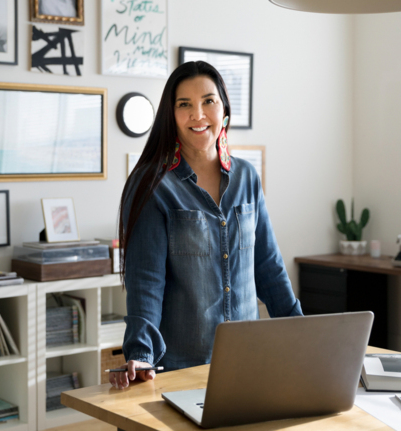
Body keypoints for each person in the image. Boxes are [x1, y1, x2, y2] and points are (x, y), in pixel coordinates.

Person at [110, 61, 303, 389]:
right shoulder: (153, 185)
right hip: (181, 371)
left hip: (248, 363)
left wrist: (304, 335)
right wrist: (140, 352)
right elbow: (146, 282)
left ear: (224, 110)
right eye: (184, 105)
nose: (198, 115)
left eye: (208, 101)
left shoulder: (247, 178)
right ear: (171, 116)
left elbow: (268, 268)